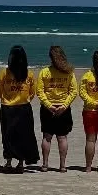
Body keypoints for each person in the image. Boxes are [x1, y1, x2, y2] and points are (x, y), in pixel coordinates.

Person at [0, 45, 39, 172]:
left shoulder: (4, 73)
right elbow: (32, 93)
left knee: (8, 135)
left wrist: (8, 99)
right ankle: (20, 163)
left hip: (8, 108)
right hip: (24, 108)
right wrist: (23, 100)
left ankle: (9, 162)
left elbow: (0, 91)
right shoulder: (29, 74)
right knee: (23, 136)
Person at [37, 44, 78, 172]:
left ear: (51, 57)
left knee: (47, 137)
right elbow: (73, 91)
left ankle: (45, 164)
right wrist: (64, 105)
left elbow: (40, 91)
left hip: (48, 108)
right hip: (63, 108)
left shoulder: (45, 72)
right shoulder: (68, 72)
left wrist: (49, 105)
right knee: (62, 137)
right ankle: (62, 165)